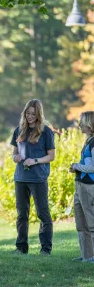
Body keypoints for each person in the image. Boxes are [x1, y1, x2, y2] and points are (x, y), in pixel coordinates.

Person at [10, 99, 55, 255]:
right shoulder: (19, 130)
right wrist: (14, 157)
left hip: (38, 178)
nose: (29, 117)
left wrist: (35, 160)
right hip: (21, 177)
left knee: (42, 213)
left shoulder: (46, 132)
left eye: (33, 114)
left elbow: (51, 156)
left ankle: (46, 248)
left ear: (39, 115)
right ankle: (21, 247)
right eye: (27, 113)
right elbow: (14, 152)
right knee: (22, 214)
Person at [69, 111, 94, 262]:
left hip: (89, 187)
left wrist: (77, 166)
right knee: (81, 223)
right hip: (80, 186)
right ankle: (86, 255)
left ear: (90, 124)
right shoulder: (88, 141)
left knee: (91, 223)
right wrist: (76, 168)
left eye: (82, 122)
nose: (80, 126)